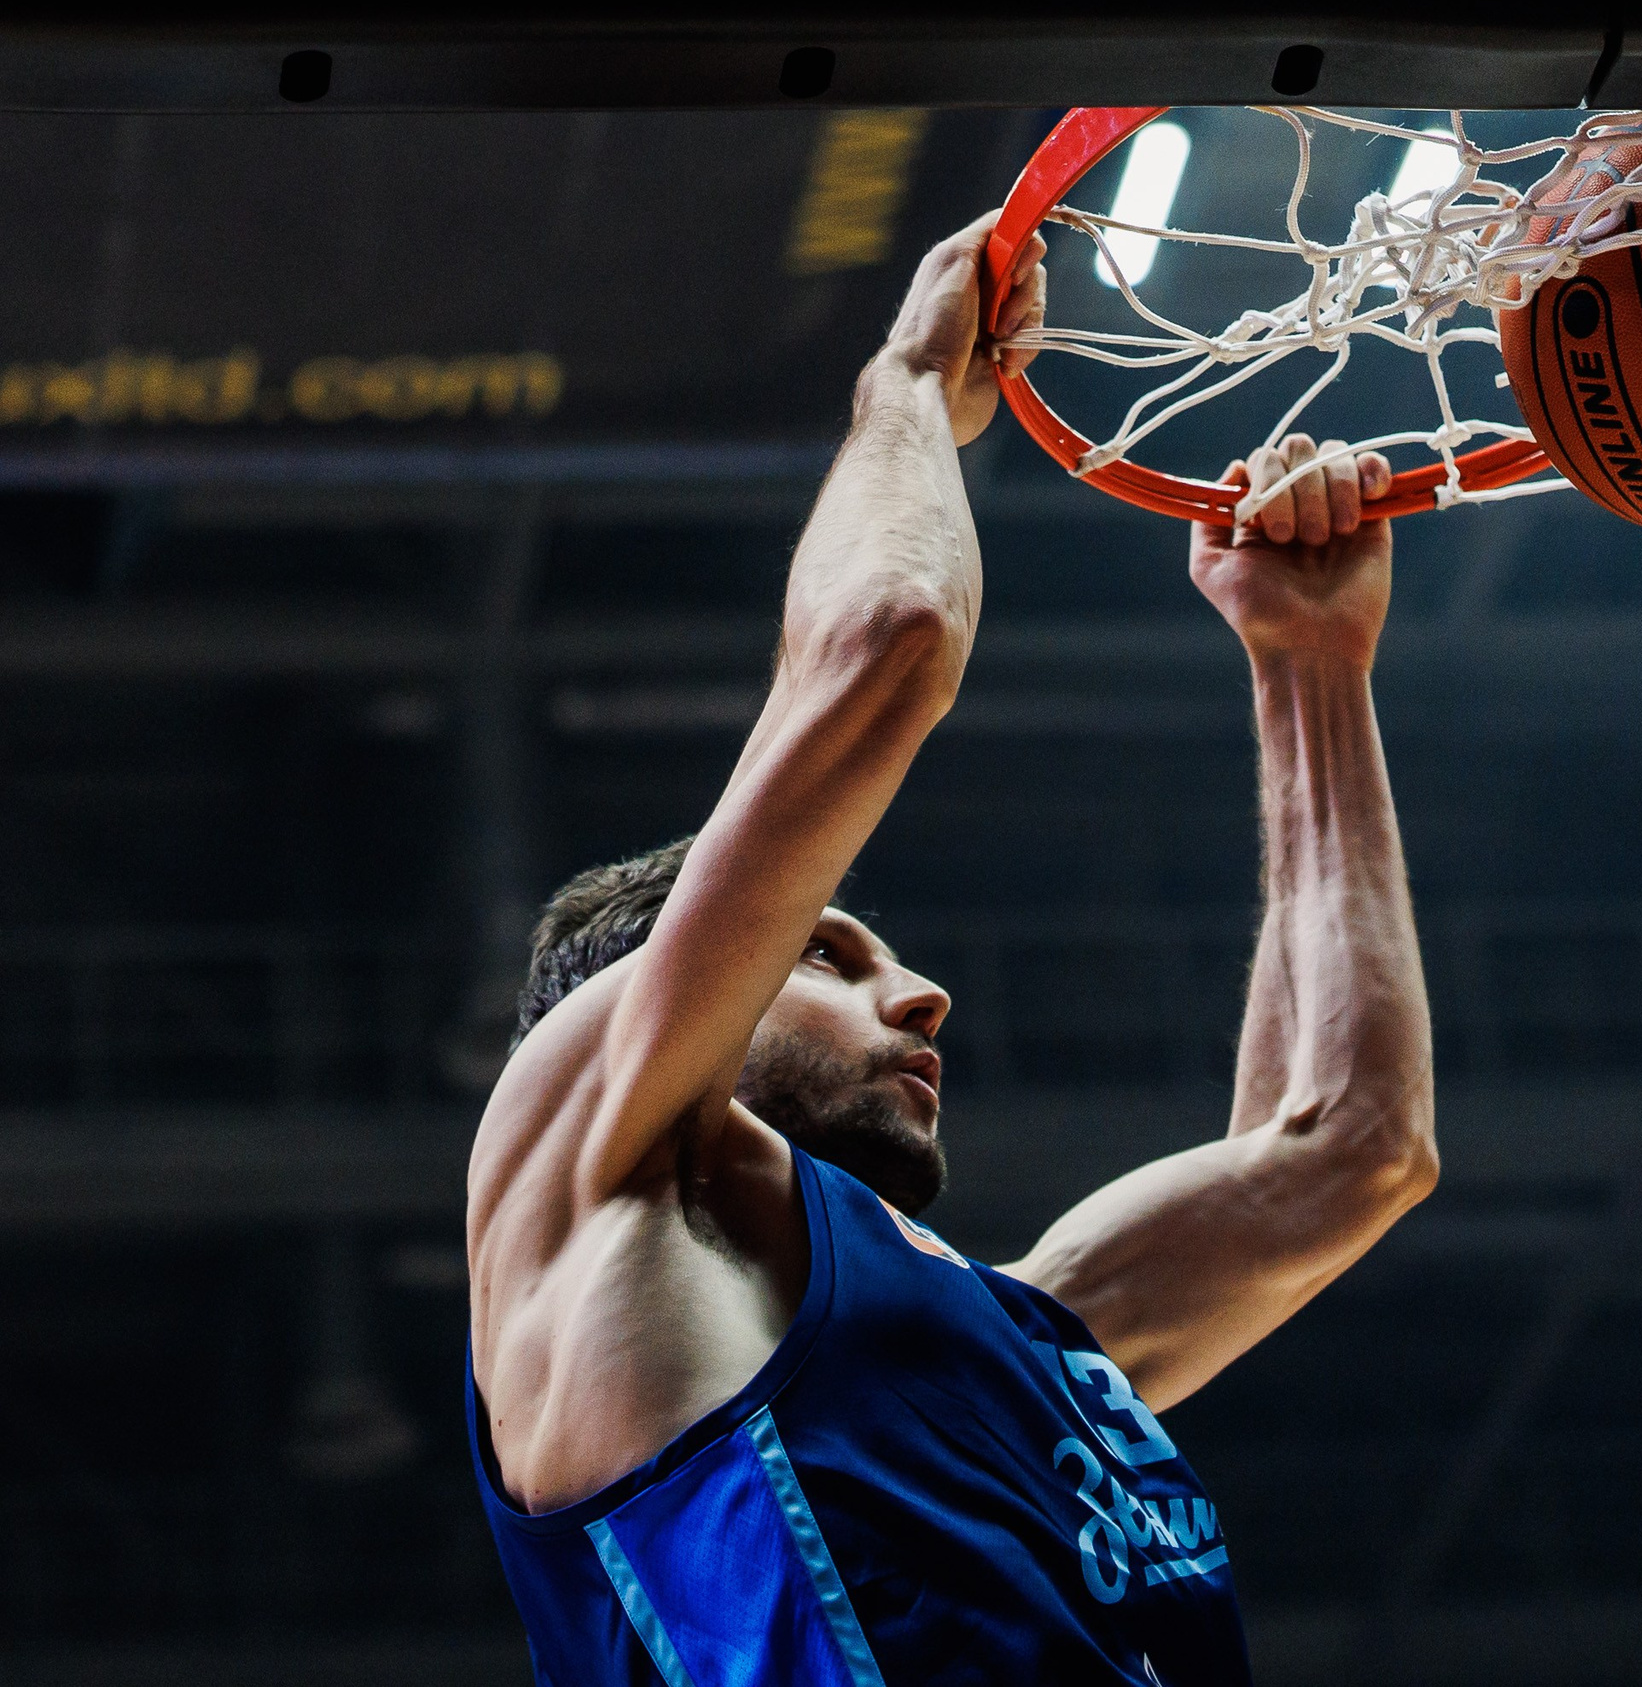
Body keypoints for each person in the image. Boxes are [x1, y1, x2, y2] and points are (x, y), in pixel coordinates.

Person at [464, 211, 1439, 1686]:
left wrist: (1311, 667)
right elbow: (892, 638)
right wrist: (911, 380)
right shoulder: (589, 1164)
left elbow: (1350, 1146)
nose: (918, 994)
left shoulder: (1007, 1344)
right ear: (646, 990)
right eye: (832, 954)